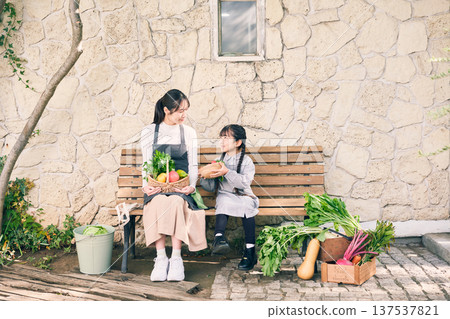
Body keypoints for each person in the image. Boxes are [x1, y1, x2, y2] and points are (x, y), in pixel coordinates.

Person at [141, 89, 207, 282]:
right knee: (158, 202)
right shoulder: (149, 132)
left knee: (177, 203)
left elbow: (193, 165)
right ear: (166, 110)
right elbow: (146, 163)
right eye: (179, 111)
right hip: (157, 186)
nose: (183, 115)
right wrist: (146, 185)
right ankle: (161, 258)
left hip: (181, 186)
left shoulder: (188, 132)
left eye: (186, 110)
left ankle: (176, 259)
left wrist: (192, 187)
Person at [200, 124, 259, 271]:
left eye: (226, 138)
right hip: (225, 195)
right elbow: (210, 187)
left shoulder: (247, 161)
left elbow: (245, 182)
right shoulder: (218, 160)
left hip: (244, 195)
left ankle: (250, 251)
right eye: (221, 138)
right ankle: (219, 239)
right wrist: (206, 175)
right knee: (223, 201)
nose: (222, 141)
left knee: (247, 206)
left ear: (238, 142)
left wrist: (227, 172)